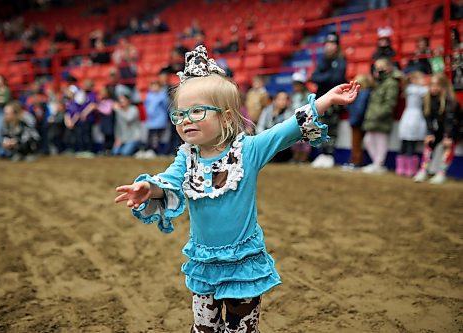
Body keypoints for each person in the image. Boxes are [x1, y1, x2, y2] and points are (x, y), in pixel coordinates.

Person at [114, 45, 360, 332]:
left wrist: (327, 99)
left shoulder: (249, 151)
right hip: (204, 262)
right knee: (204, 328)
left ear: (227, 117)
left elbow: (287, 128)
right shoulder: (187, 155)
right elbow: (169, 181)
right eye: (179, 115)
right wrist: (150, 188)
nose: (185, 121)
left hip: (243, 264)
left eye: (196, 112)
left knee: (240, 328)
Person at [413, 73, 460, 184]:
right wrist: (429, 133)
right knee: (429, 142)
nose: (434, 88)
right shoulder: (427, 99)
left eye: (437, 85)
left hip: (454, 127)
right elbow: (428, 118)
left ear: (443, 86)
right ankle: (423, 170)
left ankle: (441, 173)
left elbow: (451, 120)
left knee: (448, 145)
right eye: (432, 85)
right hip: (439, 128)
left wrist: (448, 136)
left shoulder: (450, 100)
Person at [311, 32, 347, 168]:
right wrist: (328, 75)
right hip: (321, 99)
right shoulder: (323, 61)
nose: (329, 46)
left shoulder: (341, 60)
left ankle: (330, 155)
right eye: (327, 44)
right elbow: (314, 77)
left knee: (332, 129)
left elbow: (337, 78)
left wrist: (325, 76)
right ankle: (322, 154)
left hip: (335, 101)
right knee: (320, 126)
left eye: (332, 44)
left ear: (337, 46)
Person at [362, 57, 400, 174]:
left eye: (381, 67)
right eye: (376, 67)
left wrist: (377, 115)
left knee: (380, 141)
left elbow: (390, 103)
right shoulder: (379, 82)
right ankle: (377, 163)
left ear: (388, 68)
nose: (378, 70)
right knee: (368, 140)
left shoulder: (391, 83)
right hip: (373, 118)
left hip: (382, 118)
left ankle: (379, 164)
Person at [396, 71, 428, 177]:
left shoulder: (408, 89)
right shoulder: (418, 90)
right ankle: (410, 169)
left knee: (405, 144)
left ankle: (402, 168)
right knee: (410, 144)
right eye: (420, 79)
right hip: (415, 117)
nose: (423, 81)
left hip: (408, 116)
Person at [342, 74, 373, 170]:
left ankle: (356, 161)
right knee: (357, 142)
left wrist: (355, 119)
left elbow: (359, 109)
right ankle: (355, 160)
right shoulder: (365, 93)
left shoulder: (363, 93)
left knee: (356, 142)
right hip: (359, 120)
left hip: (357, 121)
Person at [256, 91, 294, 162]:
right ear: (275, 100)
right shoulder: (267, 110)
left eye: (285, 99)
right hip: (268, 139)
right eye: (280, 99)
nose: (283, 102)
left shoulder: (290, 111)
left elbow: (289, 129)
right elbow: (260, 126)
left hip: (283, 141)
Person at [290, 72, 311, 163]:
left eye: (297, 84)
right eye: (294, 84)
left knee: (306, 140)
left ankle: (304, 157)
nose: (295, 86)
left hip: (306, 119)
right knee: (295, 140)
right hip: (295, 120)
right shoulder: (293, 96)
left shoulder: (308, 95)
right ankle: (296, 156)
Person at [144, 80, 170, 155]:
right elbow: (147, 107)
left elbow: (165, 106)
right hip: (150, 121)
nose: (154, 88)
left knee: (158, 138)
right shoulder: (149, 95)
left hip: (159, 121)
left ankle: (157, 151)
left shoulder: (162, 95)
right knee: (151, 136)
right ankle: (151, 150)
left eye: (156, 86)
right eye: (152, 86)